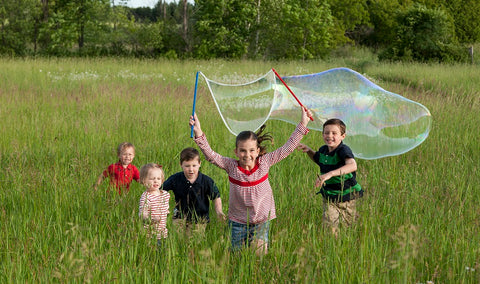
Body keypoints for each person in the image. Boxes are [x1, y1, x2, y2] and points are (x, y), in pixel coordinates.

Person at [189, 106, 312, 255]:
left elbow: (287, 148)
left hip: (261, 220)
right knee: (237, 255)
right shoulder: (231, 166)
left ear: (258, 151)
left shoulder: (265, 162)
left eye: (252, 150)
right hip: (238, 221)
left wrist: (303, 124)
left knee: (259, 251)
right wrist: (198, 132)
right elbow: (211, 156)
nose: (247, 155)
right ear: (236, 152)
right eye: (242, 151)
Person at [297, 118, 363, 237]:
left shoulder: (343, 150)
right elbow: (319, 160)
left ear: (343, 136)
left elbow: (352, 165)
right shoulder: (323, 150)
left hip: (348, 196)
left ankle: (347, 246)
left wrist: (330, 174)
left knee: (349, 227)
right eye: (326, 133)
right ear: (322, 134)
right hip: (330, 197)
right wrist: (309, 151)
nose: (329, 136)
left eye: (334, 133)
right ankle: (334, 245)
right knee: (330, 226)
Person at [163, 147, 226, 235]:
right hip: (179, 217)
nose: (191, 169)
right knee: (178, 239)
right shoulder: (175, 179)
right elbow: (160, 190)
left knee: (194, 241)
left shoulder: (206, 181)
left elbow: (216, 196)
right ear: (181, 164)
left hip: (199, 219)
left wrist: (219, 211)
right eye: (187, 166)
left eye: (194, 165)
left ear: (199, 164)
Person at [138, 163, 170, 248]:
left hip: (163, 233)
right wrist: (151, 219)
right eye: (152, 179)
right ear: (144, 181)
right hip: (150, 234)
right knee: (153, 253)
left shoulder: (165, 195)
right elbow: (142, 214)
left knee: (163, 253)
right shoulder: (146, 197)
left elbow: (165, 208)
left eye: (158, 178)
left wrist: (167, 211)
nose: (156, 181)